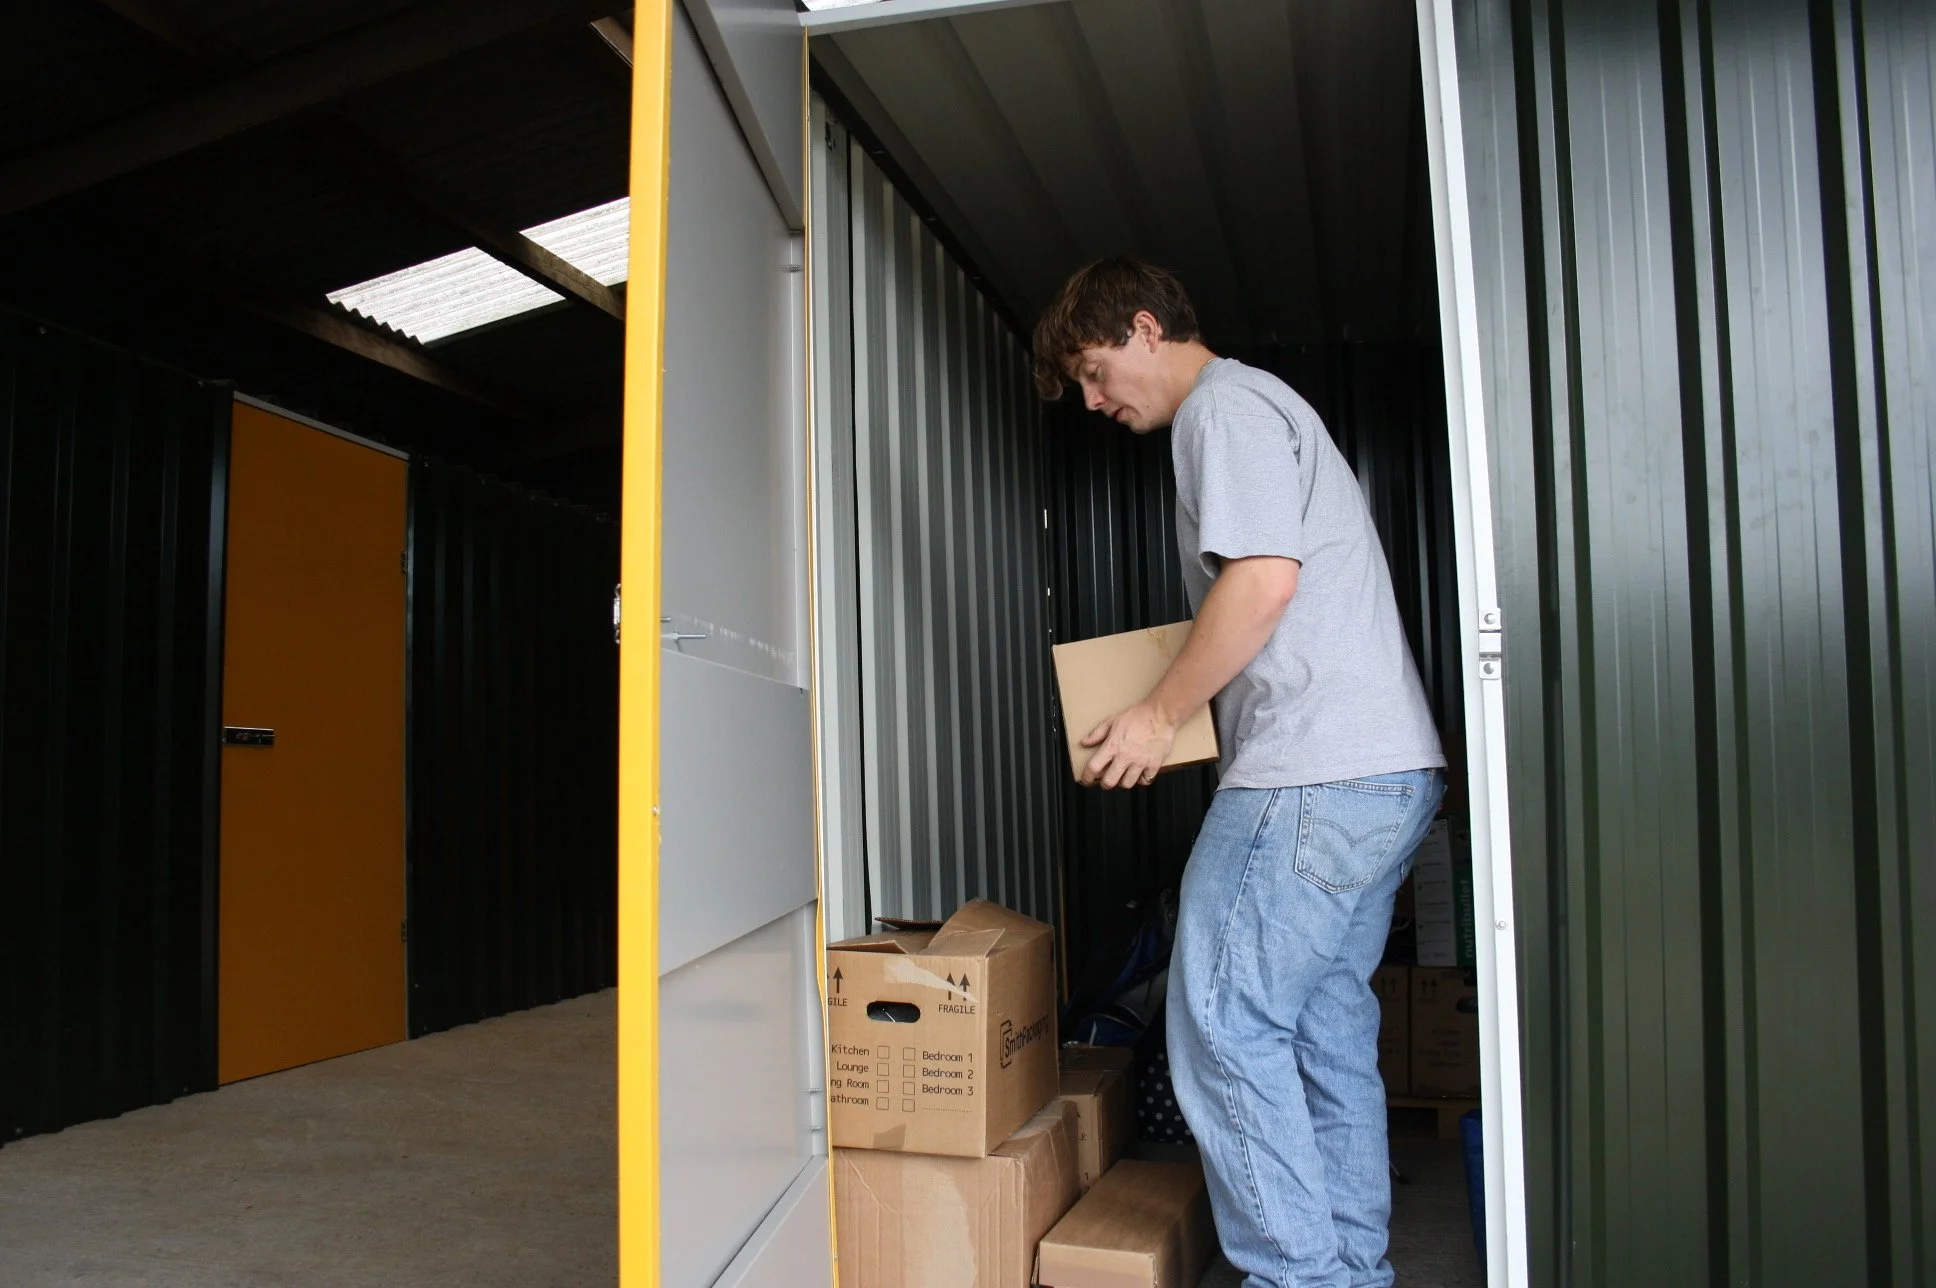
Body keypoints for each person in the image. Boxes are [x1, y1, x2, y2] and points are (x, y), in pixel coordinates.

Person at [1033, 258, 1446, 1288]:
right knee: (1321, 1029)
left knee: (1218, 1023)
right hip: (1380, 775)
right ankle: (1349, 1267)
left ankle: (1303, 1278)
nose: (1091, 400)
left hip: (1313, 775)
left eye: (1091, 370)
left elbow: (1262, 583)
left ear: (1140, 328)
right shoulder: (1262, 410)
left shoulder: (1223, 410)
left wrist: (1155, 712)